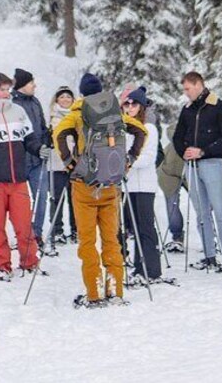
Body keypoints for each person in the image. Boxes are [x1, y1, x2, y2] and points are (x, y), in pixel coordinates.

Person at [53, 73, 147, 308]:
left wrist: (69, 162)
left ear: (82, 93)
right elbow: (140, 131)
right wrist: (129, 161)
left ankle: (94, 293)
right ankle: (115, 290)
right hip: (111, 184)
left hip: (84, 184)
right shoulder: (114, 111)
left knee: (87, 242)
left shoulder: (76, 113)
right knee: (111, 241)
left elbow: (59, 134)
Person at [0, 73, 52, 280]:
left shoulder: (18, 111)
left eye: (8, 89)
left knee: (24, 226)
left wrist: (39, 148)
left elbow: (29, 139)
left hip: (17, 179)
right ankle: (1, 265)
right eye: (2, 89)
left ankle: (29, 262)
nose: (6, 93)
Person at [171, 71, 222, 273]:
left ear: (198, 84)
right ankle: (209, 255)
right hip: (191, 166)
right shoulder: (188, 109)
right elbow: (177, 136)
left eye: (188, 89)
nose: (186, 93)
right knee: (201, 213)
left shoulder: (218, 106)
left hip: (211, 163)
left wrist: (203, 151)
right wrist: (184, 151)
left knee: (219, 210)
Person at [122, 87, 172, 286]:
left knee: (145, 226)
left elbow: (148, 157)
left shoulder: (149, 128)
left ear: (141, 106)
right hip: (130, 184)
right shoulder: (126, 128)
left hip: (144, 184)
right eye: (127, 103)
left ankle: (151, 269)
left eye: (134, 104)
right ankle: (139, 266)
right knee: (135, 227)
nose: (131, 107)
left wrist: (127, 163)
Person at [11, 68, 50, 248]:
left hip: (37, 160)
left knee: (41, 197)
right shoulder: (11, 103)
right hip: (18, 161)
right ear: (21, 85)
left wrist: (47, 137)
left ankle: (36, 233)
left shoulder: (35, 102)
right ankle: (23, 234)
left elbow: (41, 126)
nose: (34, 85)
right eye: (30, 82)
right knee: (20, 202)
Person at [48, 85, 77, 246]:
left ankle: (75, 229)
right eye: (62, 97)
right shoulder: (52, 116)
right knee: (56, 198)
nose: (65, 100)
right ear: (57, 99)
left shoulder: (78, 115)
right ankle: (57, 230)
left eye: (68, 97)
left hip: (75, 164)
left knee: (75, 198)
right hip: (57, 164)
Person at [157, 140, 186, 253]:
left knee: (202, 203)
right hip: (168, 173)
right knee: (172, 205)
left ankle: (209, 237)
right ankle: (177, 236)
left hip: (191, 168)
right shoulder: (176, 136)